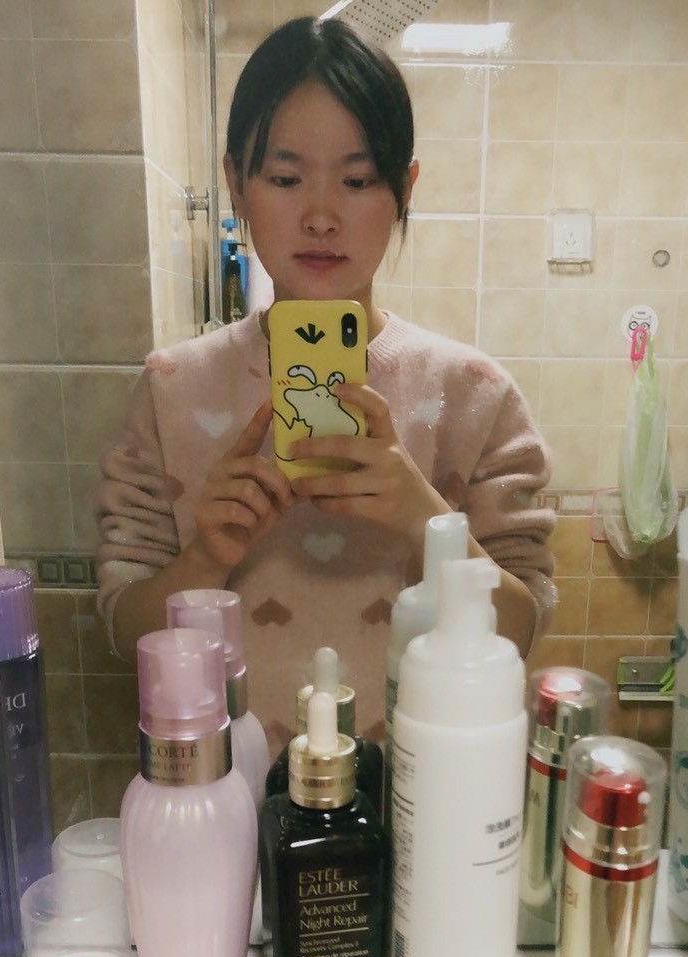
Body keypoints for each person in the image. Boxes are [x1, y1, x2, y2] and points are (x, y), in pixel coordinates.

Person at [95, 16, 555, 754]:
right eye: (284, 178)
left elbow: (522, 629)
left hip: (419, 795)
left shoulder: (476, 395)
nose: (320, 217)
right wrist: (206, 558)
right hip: (230, 797)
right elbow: (124, 631)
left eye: (358, 179)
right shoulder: (171, 389)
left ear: (404, 189)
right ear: (236, 184)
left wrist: (421, 517)